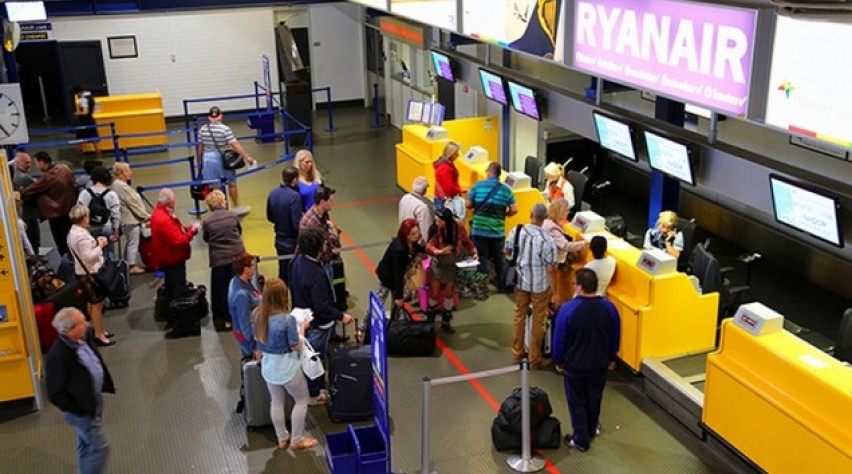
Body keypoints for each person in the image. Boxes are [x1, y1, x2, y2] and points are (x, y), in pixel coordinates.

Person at [552, 268, 621, 452]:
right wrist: (612, 357)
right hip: (599, 365)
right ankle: (591, 428)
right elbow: (615, 336)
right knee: (594, 397)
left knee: (577, 402)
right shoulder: (609, 308)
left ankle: (581, 439)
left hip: (574, 366)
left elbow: (559, 339)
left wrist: (558, 360)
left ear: (580, 287)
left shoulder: (567, 310)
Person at [46, 307, 115, 474]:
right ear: (70, 330)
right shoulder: (59, 355)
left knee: (86, 443)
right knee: (101, 447)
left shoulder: (82, 339)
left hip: (92, 401)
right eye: (81, 322)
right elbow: (55, 392)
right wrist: (78, 410)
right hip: (81, 410)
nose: (87, 324)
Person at [290, 227, 355, 404]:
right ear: (318, 247)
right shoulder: (316, 274)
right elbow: (322, 307)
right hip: (318, 325)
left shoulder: (297, 262)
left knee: (309, 354)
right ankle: (313, 393)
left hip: (303, 318)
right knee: (313, 358)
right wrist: (341, 316)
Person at [253, 278, 319, 450]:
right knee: (301, 400)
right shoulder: (287, 320)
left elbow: (258, 341)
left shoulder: (257, 316)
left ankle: (282, 437)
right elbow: (296, 345)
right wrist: (302, 328)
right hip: (288, 368)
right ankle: (296, 439)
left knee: (276, 402)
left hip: (269, 368)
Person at [505, 203, 557, 368]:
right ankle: (535, 357)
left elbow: (506, 251)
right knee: (538, 320)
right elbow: (551, 268)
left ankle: (517, 352)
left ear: (530, 214)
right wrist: (554, 291)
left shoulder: (518, 230)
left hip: (520, 281)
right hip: (540, 285)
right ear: (545, 218)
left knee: (519, 315)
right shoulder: (547, 239)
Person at [66, 204, 114, 346]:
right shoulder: (82, 237)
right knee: (97, 305)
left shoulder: (72, 233)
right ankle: (99, 334)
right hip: (91, 274)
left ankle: (97, 329)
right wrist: (100, 246)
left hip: (82, 272)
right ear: (84, 218)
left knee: (91, 304)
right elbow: (89, 257)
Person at [466, 162, 518, 291]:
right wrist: (505, 214)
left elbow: (468, 204)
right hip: (497, 231)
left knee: (481, 257)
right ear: (499, 174)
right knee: (499, 258)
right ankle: (502, 285)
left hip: (479, 230)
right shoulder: (507, 191)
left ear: (489, 172)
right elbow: (514, 209)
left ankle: (481, 287)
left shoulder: (478, 186)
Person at [196, 106, 255, 215]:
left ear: (209, 117)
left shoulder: (203, 129)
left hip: (208, 160)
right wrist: (247, 157)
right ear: (221, 116)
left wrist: (200, 161)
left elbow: (200, 147)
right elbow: (234, 144)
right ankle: (236, 207)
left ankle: (219, 210)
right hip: (222, 159)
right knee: (231, 183)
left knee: (215, 187)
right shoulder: (225, 129)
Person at [426, 208, 477, 333]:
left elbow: (466, 241)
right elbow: (429, 246)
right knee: (434, 293)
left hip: (453, 264)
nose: (437, 221)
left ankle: (446, 322)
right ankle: (430, 322)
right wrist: (439, 251)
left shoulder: (458, 227)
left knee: (449, 293)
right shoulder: (436, 229)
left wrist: (473, 251)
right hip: (438, 264)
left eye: (439, 220)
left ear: (446, 221)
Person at [150, 188, 200, 314]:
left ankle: (171, 310)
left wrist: (185, 229)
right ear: (170, 202)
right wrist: (192, 232)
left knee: (172, 285)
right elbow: (178, 241)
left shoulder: (159, 213)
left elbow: (173, 232)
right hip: (172, 257)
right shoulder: (165, 219)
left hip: (167, 256)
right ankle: (180, 315)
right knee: (177, 286)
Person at [19, 151, 76, 257]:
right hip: (70, 211)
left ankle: (67, 266)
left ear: (41, 162)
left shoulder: (48, 177)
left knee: (62, 243)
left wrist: (19, 193)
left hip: (57, 215)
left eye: (36, 163)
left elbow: (32, 189)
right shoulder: (64, 169)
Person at [203, 190, 245, 331]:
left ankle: (225, 318)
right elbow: (239, 231)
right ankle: (240, 315)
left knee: (221, 290)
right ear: (222, 202)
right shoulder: (233, 216)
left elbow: (206, 238)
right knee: (238, 287)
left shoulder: (207, 221)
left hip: (219, 259)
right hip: (236, 256)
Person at [543, 198, 586, 304]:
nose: (568, 212)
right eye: (566, 210)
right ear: (560, 211)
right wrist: (584, 244)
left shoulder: (547, 222)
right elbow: (565, 245)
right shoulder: (552, 228)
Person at [376, 219, 426, 309]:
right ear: (406, 235)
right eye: (413, 234)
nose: (417, 235)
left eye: (417, 232)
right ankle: (366, 322)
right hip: (387, 277)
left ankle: (395, 321)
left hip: (397, 277)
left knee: (396, 308)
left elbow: (419, 249)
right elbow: (397, 273)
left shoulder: (411, 243)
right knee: (379, 302)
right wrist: (398, 296)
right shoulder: (399, 249)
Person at [112, 162, 151, 274]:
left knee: (130, 242)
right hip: (130, 221)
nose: (131, 172)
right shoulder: (121, 186)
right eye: (128, 170)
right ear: (121, 173)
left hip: (128, 220)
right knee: (133, 243)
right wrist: (146, 216)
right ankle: (131, 266)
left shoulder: (118, 185)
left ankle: (126, 262)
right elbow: (133, 204)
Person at [266, 166, 303, 283]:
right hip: (292, 241)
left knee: (283, 270)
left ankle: (282, 297)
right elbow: (297, 223)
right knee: (295, 274)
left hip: (279, 239)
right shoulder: (295, 197)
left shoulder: (272, 194)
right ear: (295, 180)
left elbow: (270, 217)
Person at [77, 166, 120, 260]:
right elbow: (115, 214)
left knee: (92, 252)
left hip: (89, 227)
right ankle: (110, 271)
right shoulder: (111, 194)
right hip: (106, 226)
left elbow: (79, 212)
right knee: (109, 253)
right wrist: (116, 231)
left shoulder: (84, 193)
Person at [299, 185, 342, 269]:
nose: (333, 203)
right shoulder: (310, 223)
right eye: (330, 200)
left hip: (325, 260)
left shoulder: (323, 215)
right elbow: (314, 250)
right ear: (322, 202)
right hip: (317, 264)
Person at [228, 251, 261, 359]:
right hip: (249, 341)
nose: (253, 268)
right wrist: (255, 347)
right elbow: (245, 324)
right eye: (251, 266)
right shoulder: (241, 295)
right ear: (245, 269)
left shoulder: (239, 281)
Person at [12, 150, 40, 252]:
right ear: (18, 163)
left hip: (29, 212)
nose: (29, 165)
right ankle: (34, 259)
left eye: (30, 162)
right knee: (32, 237)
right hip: (28, 213)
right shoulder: (23, 177)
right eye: (26, 162)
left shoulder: (23, 174)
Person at [398, 176, 435, 247]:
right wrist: (429, 247)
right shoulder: (422, 208)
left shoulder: (405, 198)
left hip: (403, 236)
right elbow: (426, 230)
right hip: (416, 244)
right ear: (424, 190)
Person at [432, 141, 463, 214]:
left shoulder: (442, 164)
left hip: (440, 198)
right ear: (450, 154)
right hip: (445, 201)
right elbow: (449, 188)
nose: (457, 155)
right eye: (456, 153)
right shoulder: (446, 168)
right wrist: (460, 190)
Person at [72, 86, 101, 159]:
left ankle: (79, 159)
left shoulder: (83, 99)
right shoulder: (91, 97)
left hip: (83, 122)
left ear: (79, 92)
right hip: (91, 120)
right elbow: (96, 109)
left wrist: (77, 113)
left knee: (79, 141)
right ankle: (99, 158)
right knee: (95, 141)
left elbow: (85, 112)